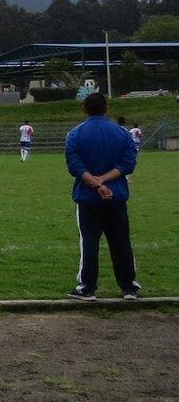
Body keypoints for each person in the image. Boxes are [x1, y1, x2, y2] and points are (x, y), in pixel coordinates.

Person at [65, 93, 140, 301]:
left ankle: (87, 286)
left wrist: (96, 182)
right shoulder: (122, 134)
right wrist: (106, 180)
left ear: (84, 110)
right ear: (107, 108)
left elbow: (75, 166)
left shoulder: (75, 134)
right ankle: (128, 286)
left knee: (89, 242)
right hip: (116, 196)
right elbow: (128, 164)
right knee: (121, 240)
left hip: (88, 197)